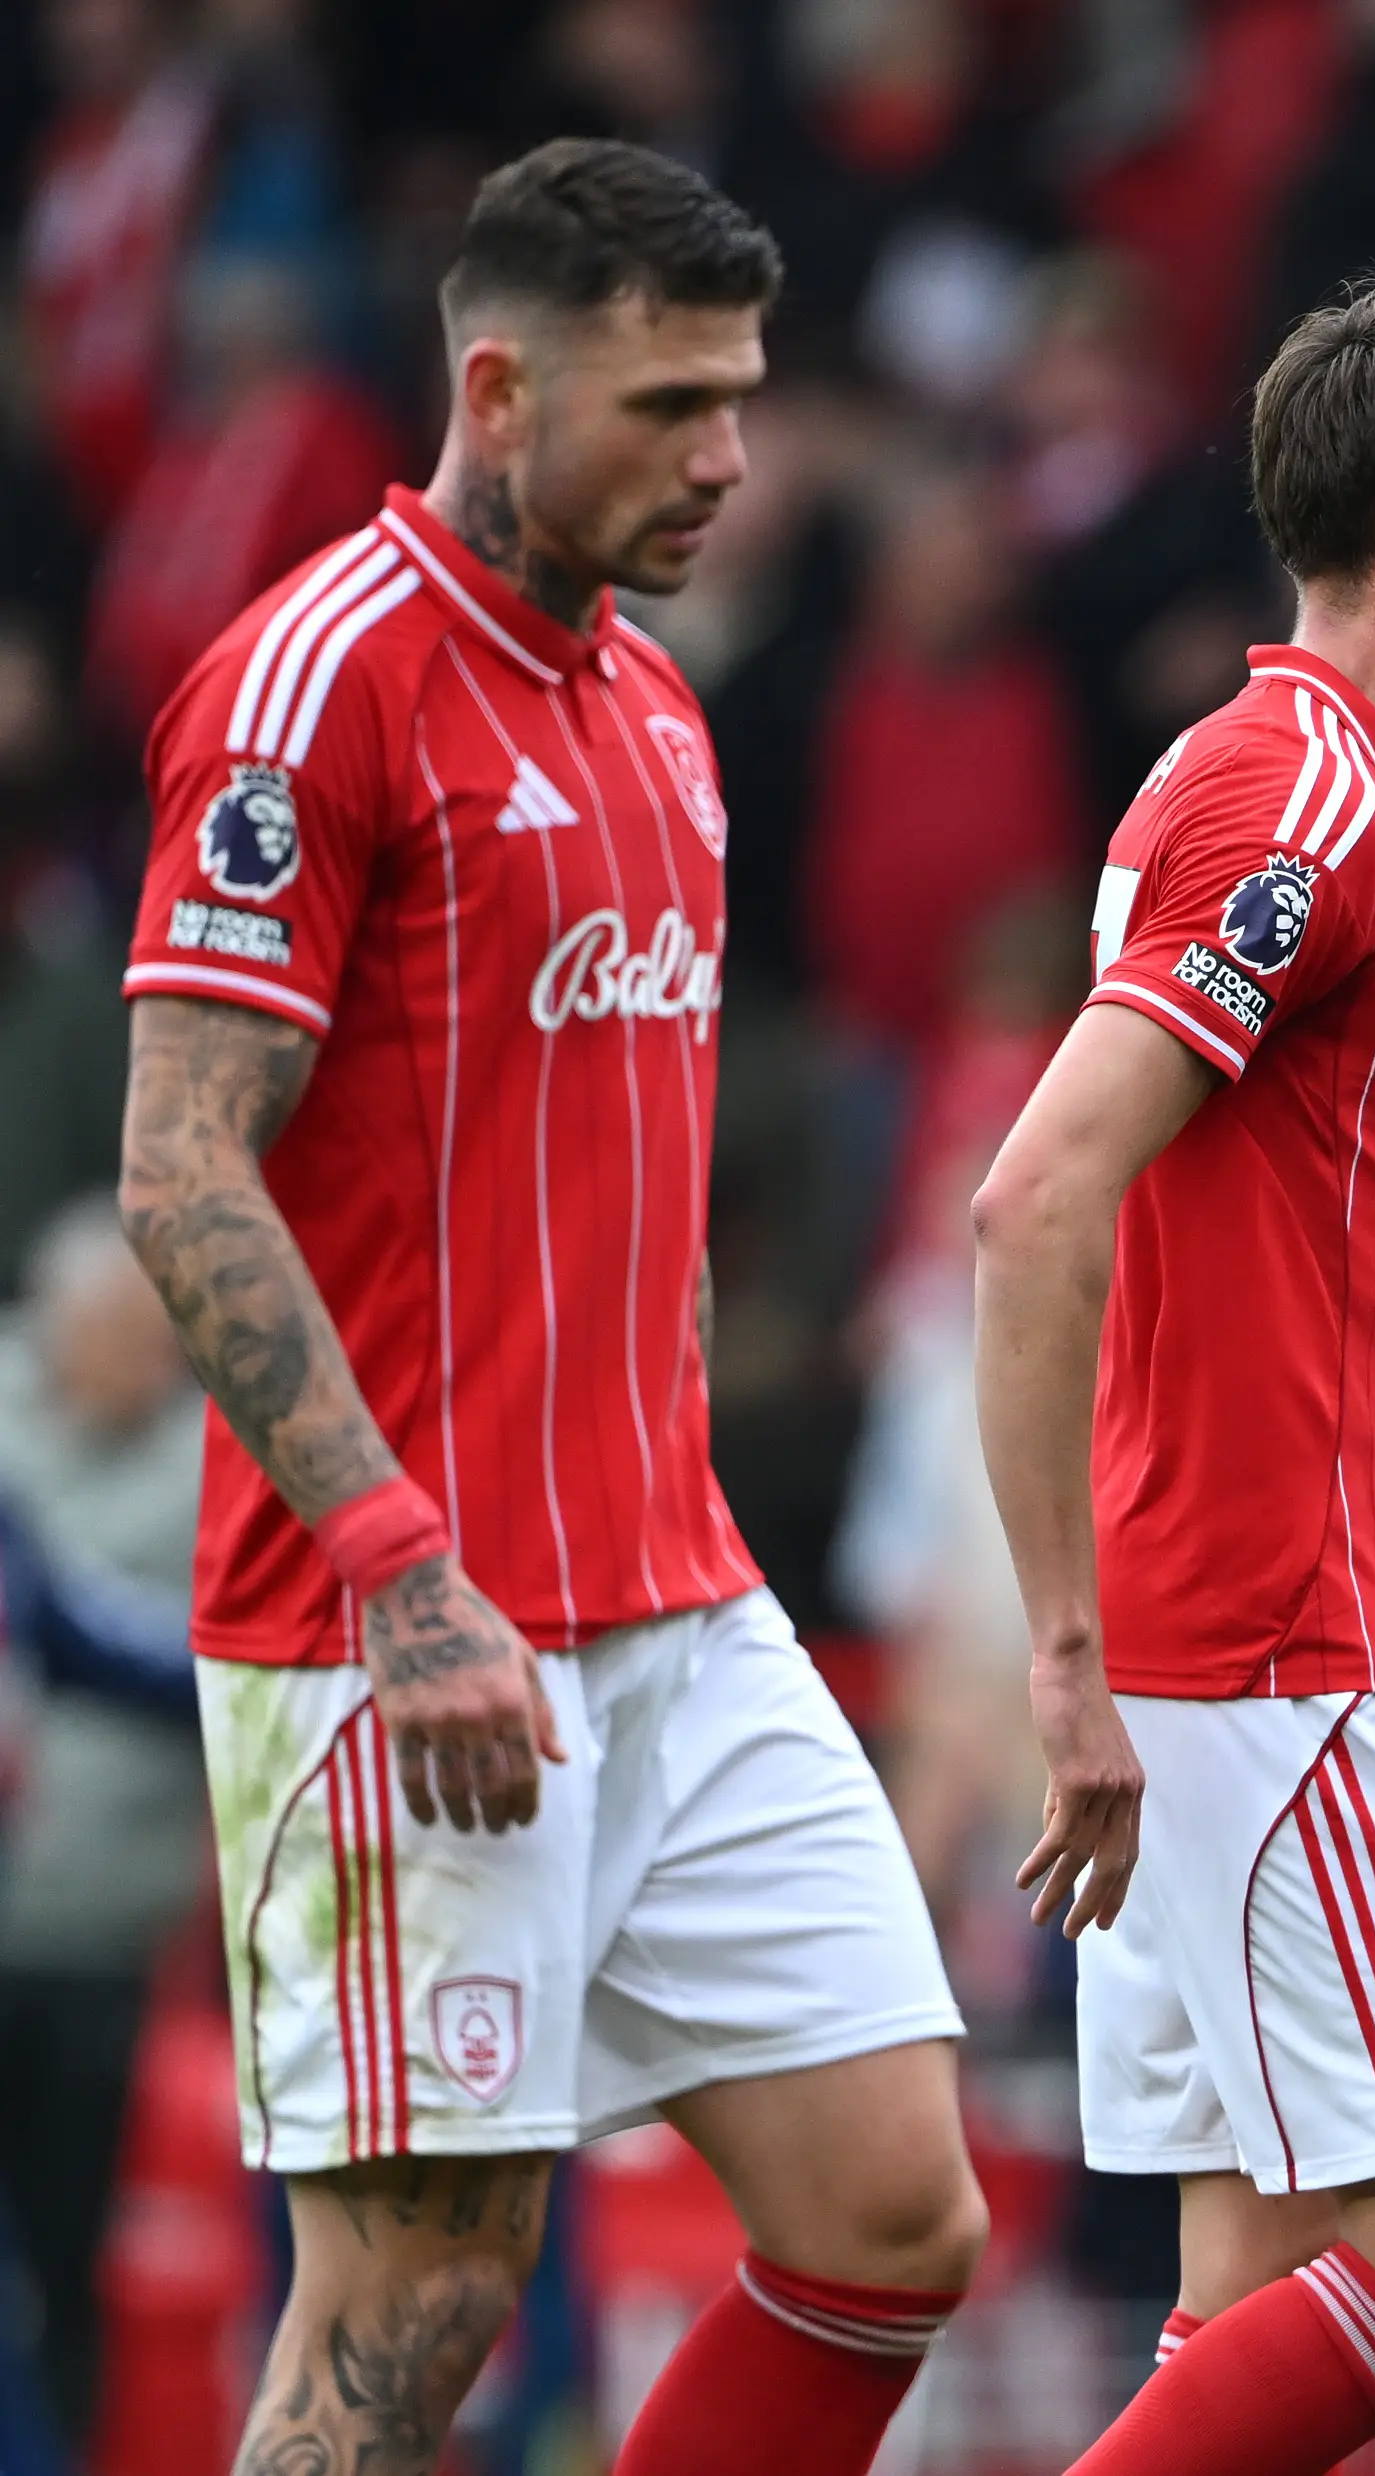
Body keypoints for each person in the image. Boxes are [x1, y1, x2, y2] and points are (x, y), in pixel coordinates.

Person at [112, 140, 987, 2476]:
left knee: (893, 2211)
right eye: (670, 405)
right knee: (413, 2314)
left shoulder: (659, 709)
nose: (728, 456)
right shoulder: (311, 689)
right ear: (495, 389)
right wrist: (403, 1563)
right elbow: (178, 1164)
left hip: (676, 1603)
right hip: (399, 1633)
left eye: (745, 398)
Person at [970, 280, 1375, 2476]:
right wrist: (1064, 1649)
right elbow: (1033, 1200)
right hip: (1256, 1644)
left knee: (1245, 2306)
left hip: (1234, 1633)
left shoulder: (1266, 767)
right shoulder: (1301, 799)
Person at [0, 1195, 203, 2450]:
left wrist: (291, 1679)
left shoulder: (205, 1454)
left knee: (59, 2268)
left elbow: (97, 1644)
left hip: (95, 1927)